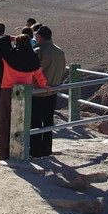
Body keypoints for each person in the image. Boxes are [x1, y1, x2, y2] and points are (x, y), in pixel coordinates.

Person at [0, 34, 47, 162]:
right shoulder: (33, 56)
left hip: (7, 89)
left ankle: (4, 153)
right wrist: (44, 86)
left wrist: (11, 38)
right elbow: (39, 74)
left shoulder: (9, 54)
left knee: (5, 121)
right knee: (22, 122)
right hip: (25, 92)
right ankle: (20, 151)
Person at [30, 25, 66, 158]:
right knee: (48, 121)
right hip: (53, 91)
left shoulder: (37, 51)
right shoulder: (59, 51)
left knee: (35, 122)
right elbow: (63, 70)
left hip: (38, 92)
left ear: (39, 37)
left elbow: (32, 71)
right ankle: (46, 150)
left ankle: (35, 151)